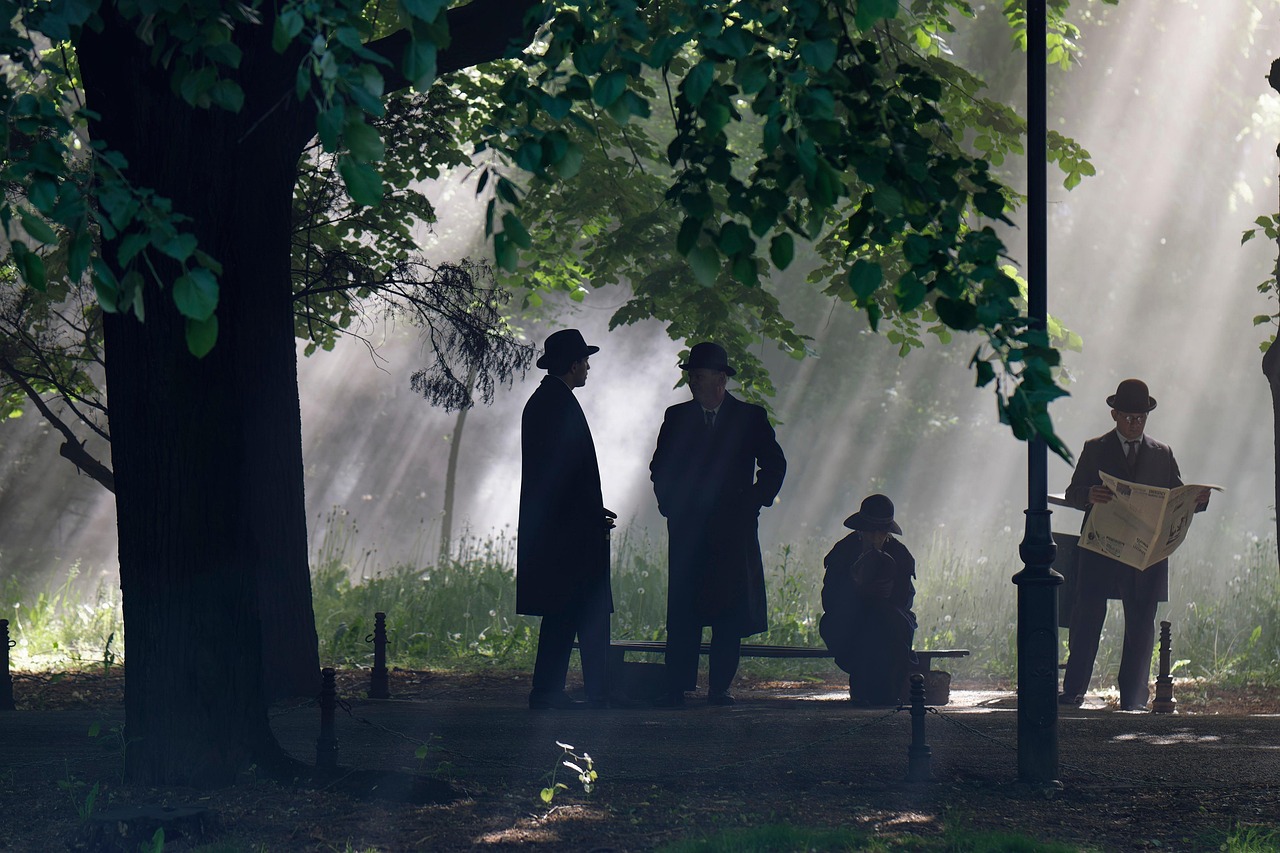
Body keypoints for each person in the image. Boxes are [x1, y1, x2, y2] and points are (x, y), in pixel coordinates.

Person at [1059, 378, 1210, 712]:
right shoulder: (1096, 448)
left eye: (1140, 417)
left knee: (1141, 625)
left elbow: (1176, 496)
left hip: (1144, 553)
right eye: (1128, 416)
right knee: (1086, 617)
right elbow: (1072, 492)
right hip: (1101, 549)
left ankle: (1134, 698)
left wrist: (1197, 500)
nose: (1134, 423)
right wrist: (1089, 494)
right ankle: (1074, 691)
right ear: (1114, 414)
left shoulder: (1161, 453)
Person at [649, 342, 786, 706]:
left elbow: (774, 464)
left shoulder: (749, 417)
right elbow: (661, 467)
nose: (693, 382)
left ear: (721, 379)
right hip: (688, 529)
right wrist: (671, 506)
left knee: (730, 611)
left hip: (732, 530)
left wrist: (752, 502)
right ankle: (676, 686)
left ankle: (719, 686)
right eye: (691, 376)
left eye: (699, 376)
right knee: (685, 610)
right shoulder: (677, 417)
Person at [516, 329, 617, 710]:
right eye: (585, 361)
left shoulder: (549, 400)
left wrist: (592, 510)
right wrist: (588, 512)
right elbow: (563, 472)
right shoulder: (555, 404)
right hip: (567, 532)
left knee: (563, 611)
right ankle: (567, 691)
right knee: (571, 610)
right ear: (574, 365)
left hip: (563, 527)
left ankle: (553, 690)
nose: (589, 367)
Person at [818, 494, 918, 706]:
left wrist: (887, 595)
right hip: (850, 618)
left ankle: (888, 692)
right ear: (861, 529)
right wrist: (855, 590)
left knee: (888, 622)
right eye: (870, 531)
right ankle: (863, 689)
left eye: (881, 532)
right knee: (862, 625)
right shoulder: (843, 552)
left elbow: (904, 602)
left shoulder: (899, 555)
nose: (875, 537)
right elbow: (830, 600)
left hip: (889, 620)